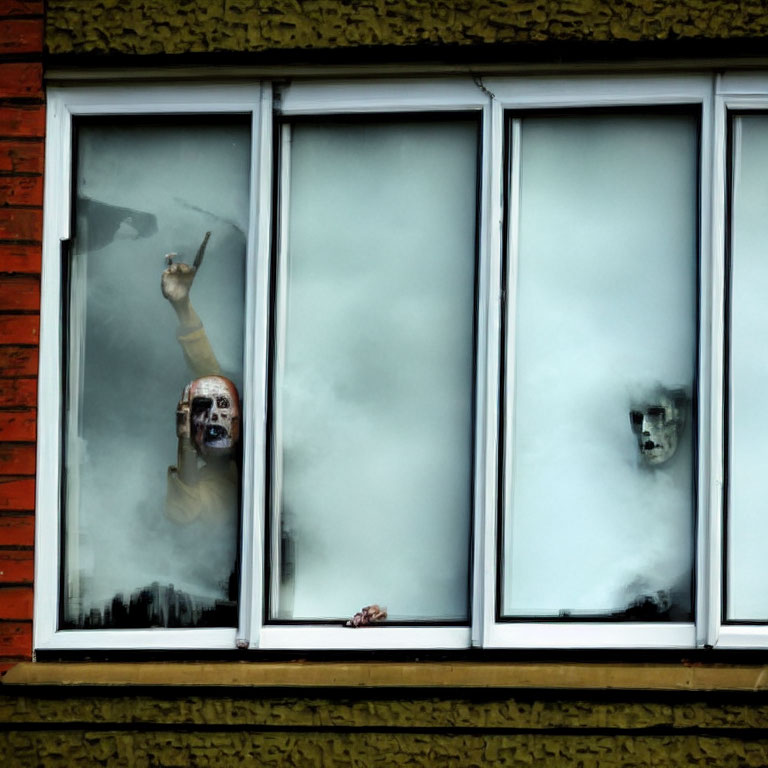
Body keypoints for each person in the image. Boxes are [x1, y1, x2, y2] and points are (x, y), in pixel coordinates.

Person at [161, 233, 241, 526]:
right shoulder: (221, 485)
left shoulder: (267, 450)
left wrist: (183, 308)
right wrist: (184, 446)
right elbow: (185, 511)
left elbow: (206, 371)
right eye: (202, 418)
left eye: (222, 408)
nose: (214, 420)